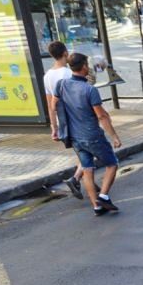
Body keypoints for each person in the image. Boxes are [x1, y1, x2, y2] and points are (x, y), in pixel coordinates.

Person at [49, 53, 121, 216]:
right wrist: (114, 136)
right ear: (83, 67)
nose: (88, 67)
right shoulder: (90, 89)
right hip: (92, 135)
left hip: (74, 137)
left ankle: (97, 206)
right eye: (87, 65)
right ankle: (103, 196)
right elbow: (101, 116)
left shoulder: (61, 85)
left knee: (87, 170)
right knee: (112, 163)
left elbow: (54, 106)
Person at [43, 41, 84, 199]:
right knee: (90, 151)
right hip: (76, 118)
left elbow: (49, 104)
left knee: (81, 151)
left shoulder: (47, 76)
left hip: (63, 120)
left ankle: (84, 179)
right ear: (65, 54)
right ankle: (76, 178)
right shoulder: (67, 73)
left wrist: (54, 127)